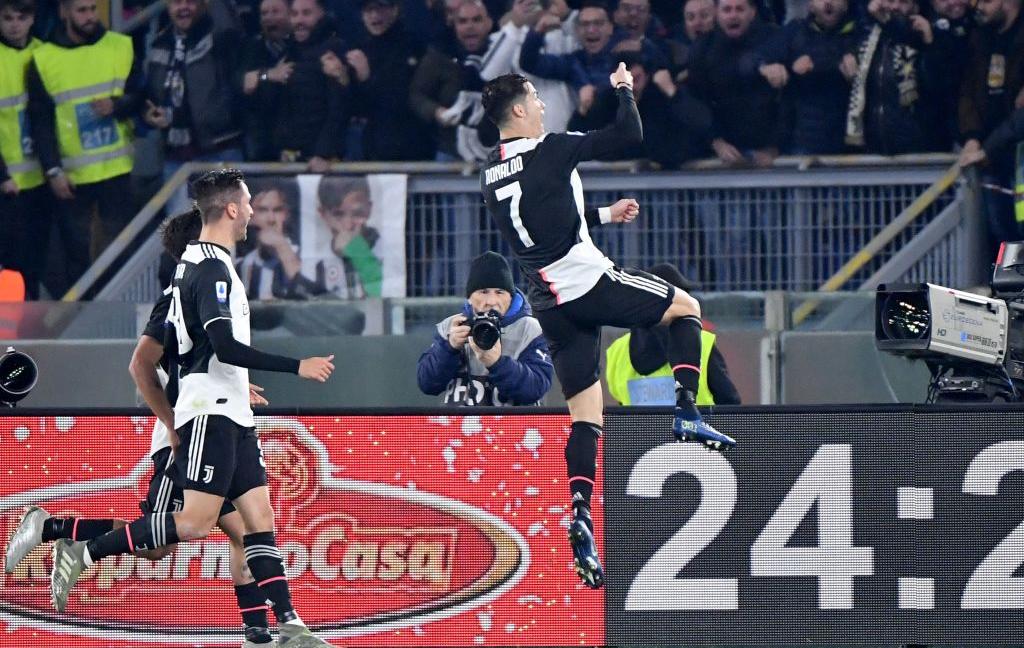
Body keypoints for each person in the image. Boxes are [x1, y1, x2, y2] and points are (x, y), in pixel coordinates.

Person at [46, 169, 336, 648]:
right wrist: (296, 365)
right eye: (247, 203)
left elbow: (197, 346)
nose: (251, 212)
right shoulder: (210, 270)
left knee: (258, 523)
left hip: (229, 409)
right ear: (230, 209)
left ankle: (288, 626)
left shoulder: (198, 264)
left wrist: (239, 384)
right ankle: (85, 551)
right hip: (209, 411)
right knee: (194, 523)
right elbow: (221, 345)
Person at [479, 68, 736, 590]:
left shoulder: (490, 171)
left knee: (585, 418)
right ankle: (687, 410)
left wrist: (603, 214)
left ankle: (580, 513)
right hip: (586, 282)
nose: (544, 105)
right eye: (536, 97)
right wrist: (624, 88)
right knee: (685, 306)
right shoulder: (550, 148)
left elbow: (546, 220)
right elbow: (629, 136)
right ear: (520, 112)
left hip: (550, 305)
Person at [5, 207, 276, 647]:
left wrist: (236, 386)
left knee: (243, 534)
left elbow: (201, 361)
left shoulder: (211, 290)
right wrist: (173, 425)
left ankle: (259, 634)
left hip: (214, 428)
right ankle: (55, 530)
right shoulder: (180, 295)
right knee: (163, 538)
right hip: (190, 434)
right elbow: (141, 365)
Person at [26, 0, 140, 293]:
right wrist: (52, 170)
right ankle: (85, 324)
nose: (90, 17)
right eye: (82, 10)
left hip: (118, 171)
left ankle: (121, 320)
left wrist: (117, 105)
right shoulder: (44, 58)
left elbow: (140, 94)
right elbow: (41, 121)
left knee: (121, 252)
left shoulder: (121, 46)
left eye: (93, 9)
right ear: (64, 12)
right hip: (73, 177)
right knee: (77, 257)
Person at [143, 0, 245, 217]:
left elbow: (229, 27)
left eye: (190, 1)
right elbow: (150, 94)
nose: (183, 7)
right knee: (182, 238)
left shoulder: (219, 36)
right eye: (177, 2)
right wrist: (150, 114)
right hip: (175, 156)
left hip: (219, 149)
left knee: (226, 233)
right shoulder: (160, 43)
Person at [417, 251, 554, 405]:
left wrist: (497, 363)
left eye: (500, 292)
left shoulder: (530, 330)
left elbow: (536, 388)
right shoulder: (453, 326)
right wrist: (449, 348)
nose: (491, 301)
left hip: (514, 428)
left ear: (511, 296)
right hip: (461, 427)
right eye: (483, 292)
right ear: (469, 297)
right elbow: (427, 384)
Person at [605, 264, 741, 406]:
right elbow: (729, 402)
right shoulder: (700, 342)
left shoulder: (617, 351)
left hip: (641, 429)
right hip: (691, 428)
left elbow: (621, 406)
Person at [0, 0, 49, 300]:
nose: (14, 24)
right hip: (7, 184)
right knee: (12, 263)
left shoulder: (45, 54)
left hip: (40, 180)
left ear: (32, 19)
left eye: (21, 17)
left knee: (35, 263)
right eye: (7, 18)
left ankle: (28, 327)